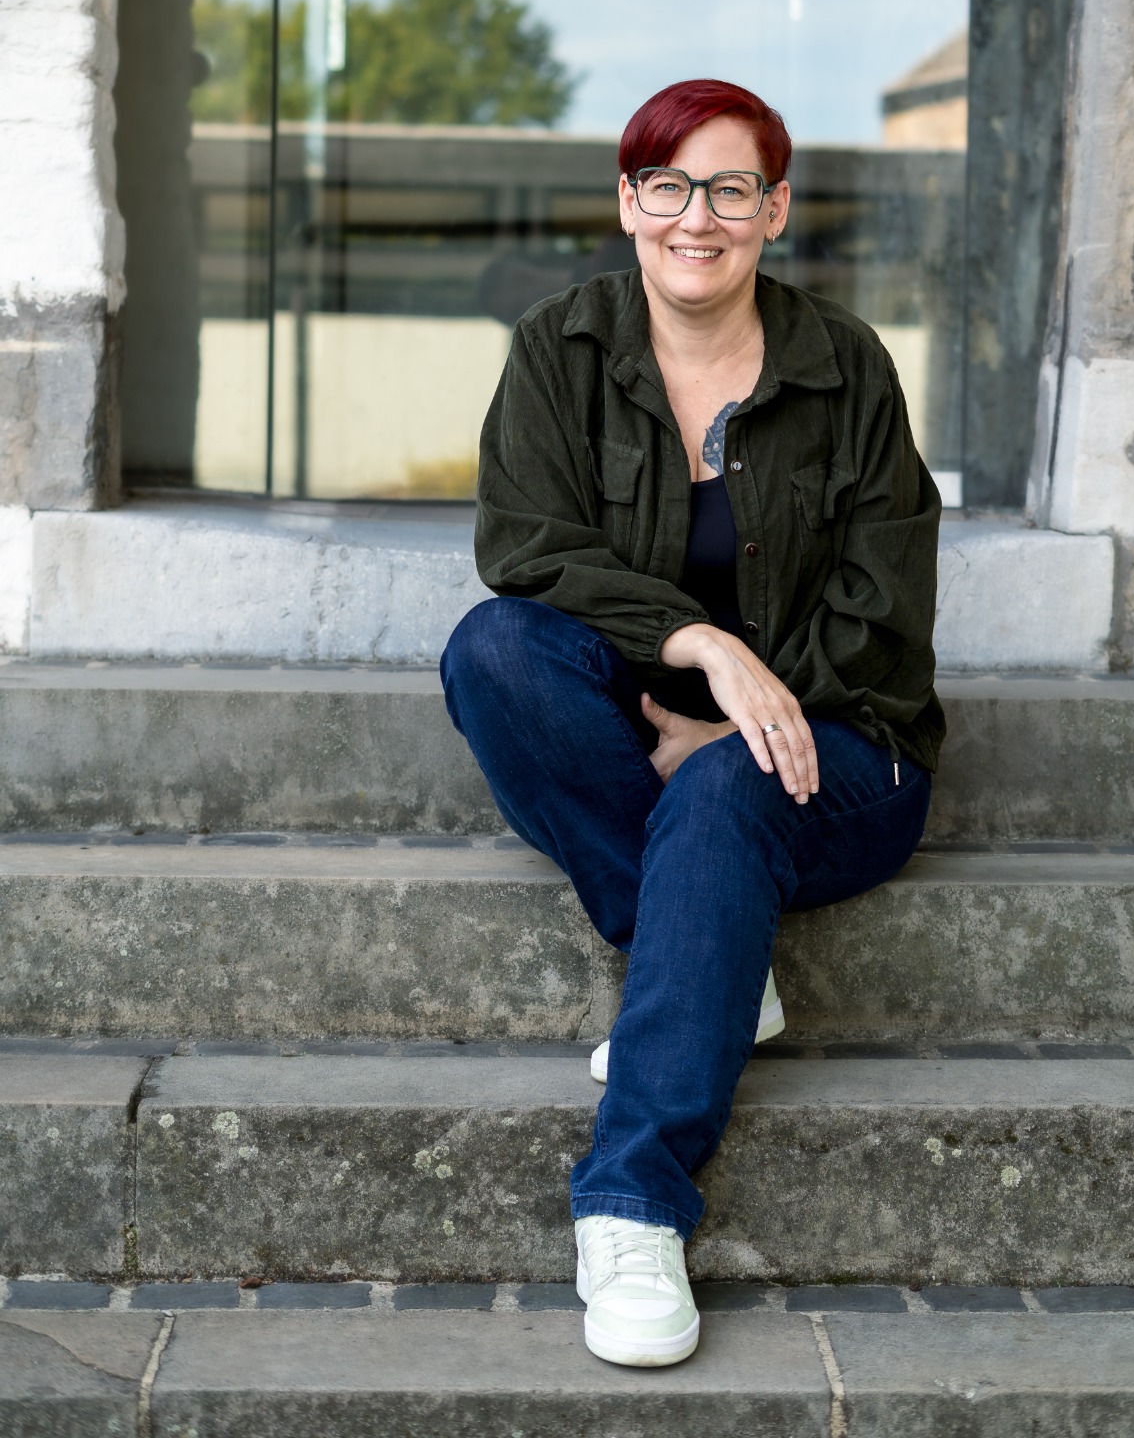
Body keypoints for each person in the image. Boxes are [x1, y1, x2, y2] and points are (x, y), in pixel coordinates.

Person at [442, 77, 943, 1367]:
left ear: (774, 210)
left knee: (725, 788)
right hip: (654, 709)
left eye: (730, 189)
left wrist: (740, 731)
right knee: (494, 651)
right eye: (668, 186)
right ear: (629, 204)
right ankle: (714, 963)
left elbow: (883, 612)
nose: (696, 218)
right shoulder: (562, 347)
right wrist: (705, 647)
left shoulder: (846, 368)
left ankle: (632, 1204)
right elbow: (528, 548)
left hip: (841, 746)